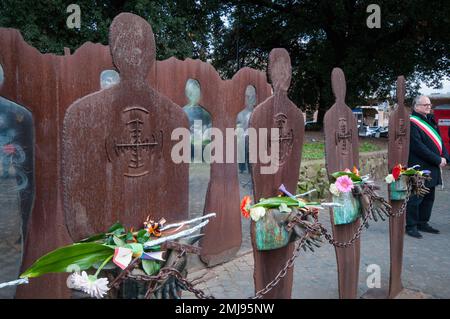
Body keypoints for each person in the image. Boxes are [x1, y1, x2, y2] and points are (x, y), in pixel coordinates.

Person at [406, 95, 450, 238]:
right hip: (419, 166)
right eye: (425, 105)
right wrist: (438, 159)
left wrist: (445, 157)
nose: (428, 107)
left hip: (432, 166)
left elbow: (440, 142)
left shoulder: (430, 120)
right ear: (416, 106)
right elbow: (418, 147)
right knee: (416, 197)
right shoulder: (412, 123)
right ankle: (411, 225)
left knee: (429, 197)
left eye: (429, 104)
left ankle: (423, 222)